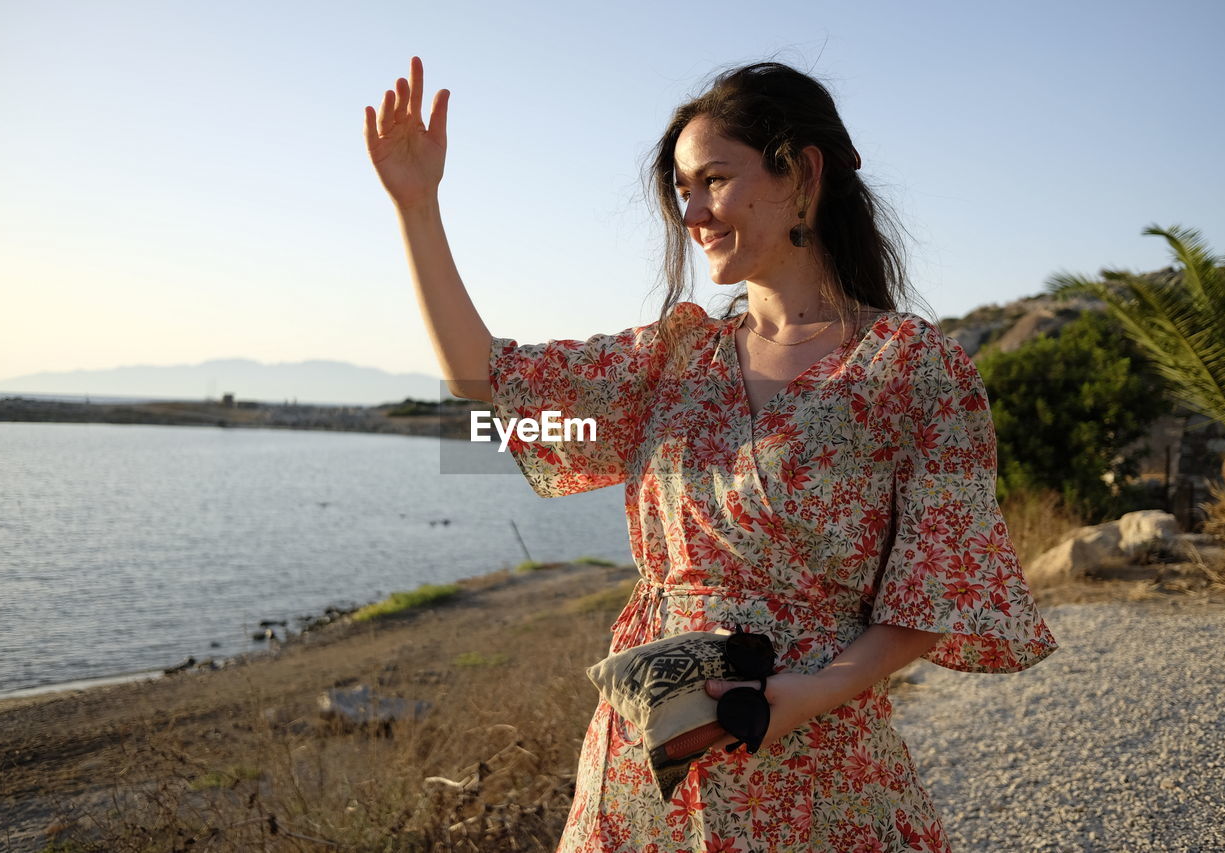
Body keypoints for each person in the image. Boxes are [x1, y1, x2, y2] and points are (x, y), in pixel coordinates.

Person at [366, 56, 1059, 853]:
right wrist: (418, 208)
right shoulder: (671, 363)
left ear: (801, 174)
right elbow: (485, 386)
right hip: (646, 763)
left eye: (713, 180)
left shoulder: (910, 369)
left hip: (814, 764)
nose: (691, 211)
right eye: (681, 191)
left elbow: (937, 587)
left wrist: (806, 694)